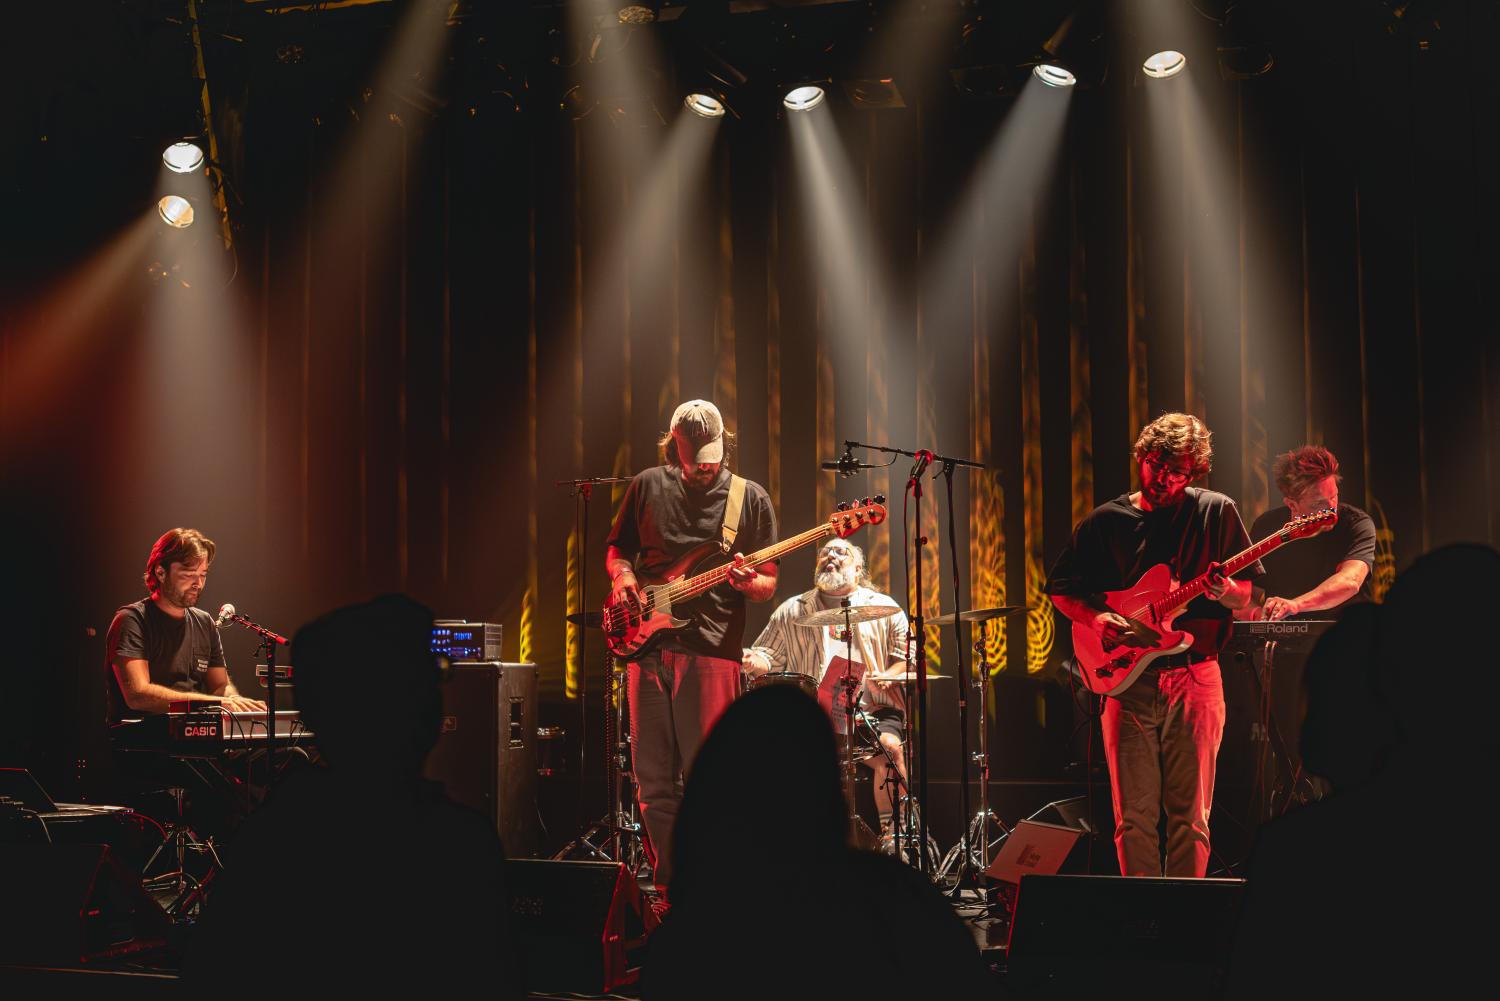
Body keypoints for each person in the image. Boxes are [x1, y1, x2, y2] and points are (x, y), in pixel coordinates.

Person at [185, 594, 520, 993]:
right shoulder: (462, 843)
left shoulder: (273, 838)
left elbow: (208, 977)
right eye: (433, 681)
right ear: (426, 714)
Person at [643, 685, 989, 999]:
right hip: (829, 712)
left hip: (868, 713)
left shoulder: (689, 937)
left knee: (890, 748)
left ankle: (892, 831)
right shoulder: (902, 900)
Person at [1045, 413, 1260, 877]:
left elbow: (1249, 597)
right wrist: (1096, 616)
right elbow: (1061, 589)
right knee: (1133, 820)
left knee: (1192, 817)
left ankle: (1187, 924)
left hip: (1195, 674)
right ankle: (1141, 922)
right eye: (1156, 464)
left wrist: (1226, 591)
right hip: (1125, 683)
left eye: (1177, 470)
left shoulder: (1214, 511)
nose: (1164, 478)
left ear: (1195, 470)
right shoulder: (1106, 520)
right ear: (1143, 457)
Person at [604, 399, 778, 898]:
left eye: (713, 456)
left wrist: (748, 584)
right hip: (645, 649)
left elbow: (768, 583)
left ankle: (718, 888)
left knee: (710, 781)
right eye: (695, 457)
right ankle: (671, 890)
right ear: (673, 446)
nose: (706, 466)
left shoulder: (750, 498)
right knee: (653, 782)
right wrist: (624, 579)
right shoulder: (646, 485)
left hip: (710, 650)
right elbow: (618, 550)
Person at [743, 537, 911, 846]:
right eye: (824, 552)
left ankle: (895, 839)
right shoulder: (792, 610)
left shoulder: (885, 607)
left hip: (869, 710)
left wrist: (890, 674)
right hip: (813, 714)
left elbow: (907, 658)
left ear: (858, 568)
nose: (830, 556)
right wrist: (751, 660)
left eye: (840, 552)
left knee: (891, 749)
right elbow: (766, 655)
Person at [105, 527, 265, 721]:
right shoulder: (131, 620)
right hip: (147, 743)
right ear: (161, 572)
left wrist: (236, 700)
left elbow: (220, 686)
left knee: (292, 752)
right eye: (189, 574)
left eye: (203, 574)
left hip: (199, 738)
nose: (198, 583)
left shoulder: (205, 622)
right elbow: (138, 695)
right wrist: (216, 704)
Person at [1245, 445, 1376, 621]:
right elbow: (1248, 596)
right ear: (1292, 505)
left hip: (1348, 635)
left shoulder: (1356, 523)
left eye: (1334, 496)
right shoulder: (1267, 527)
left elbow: (1350, 581)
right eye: (1318, 504)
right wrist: (1259, 616)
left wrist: (1296, 605)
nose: (1332, 509)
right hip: (1284, 643)